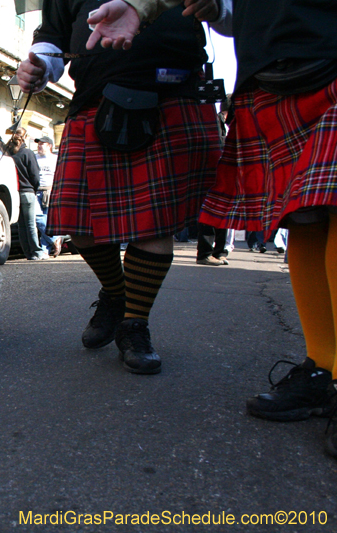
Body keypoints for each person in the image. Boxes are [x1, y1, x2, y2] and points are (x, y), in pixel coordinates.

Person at [87, 0, 337, 455]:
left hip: (328, 51)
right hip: (271, 69)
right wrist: (149, 7)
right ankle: (322, 368)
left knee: (332, 208)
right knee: (305, 217)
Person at [16, 0, 222, 374]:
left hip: (170, 93)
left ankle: (134, 324)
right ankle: (117, 292)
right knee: (78, 226)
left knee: (153, 224)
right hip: (94, 96)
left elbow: (225, 11)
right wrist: (39, 65)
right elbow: (53, 36)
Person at [8, 128, 46, 260]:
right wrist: (35, 188)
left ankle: (28, 253)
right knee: (31, 224)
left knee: (22, 226)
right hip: (28, 191)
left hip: (15, 192)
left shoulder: (10, 154)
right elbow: (35, 174)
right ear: (24, 137)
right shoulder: (27, 153)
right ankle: (37, 252)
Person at [34, 137, 63, 257]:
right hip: (36, 190)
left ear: (49, 145)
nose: (39, 146)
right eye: (38, 144)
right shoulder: (35, 157)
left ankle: (45, 249)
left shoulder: (56, 159)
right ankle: (55, 239)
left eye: (42, 144)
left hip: (50, 190)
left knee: (47, 219)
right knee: (38, 217)